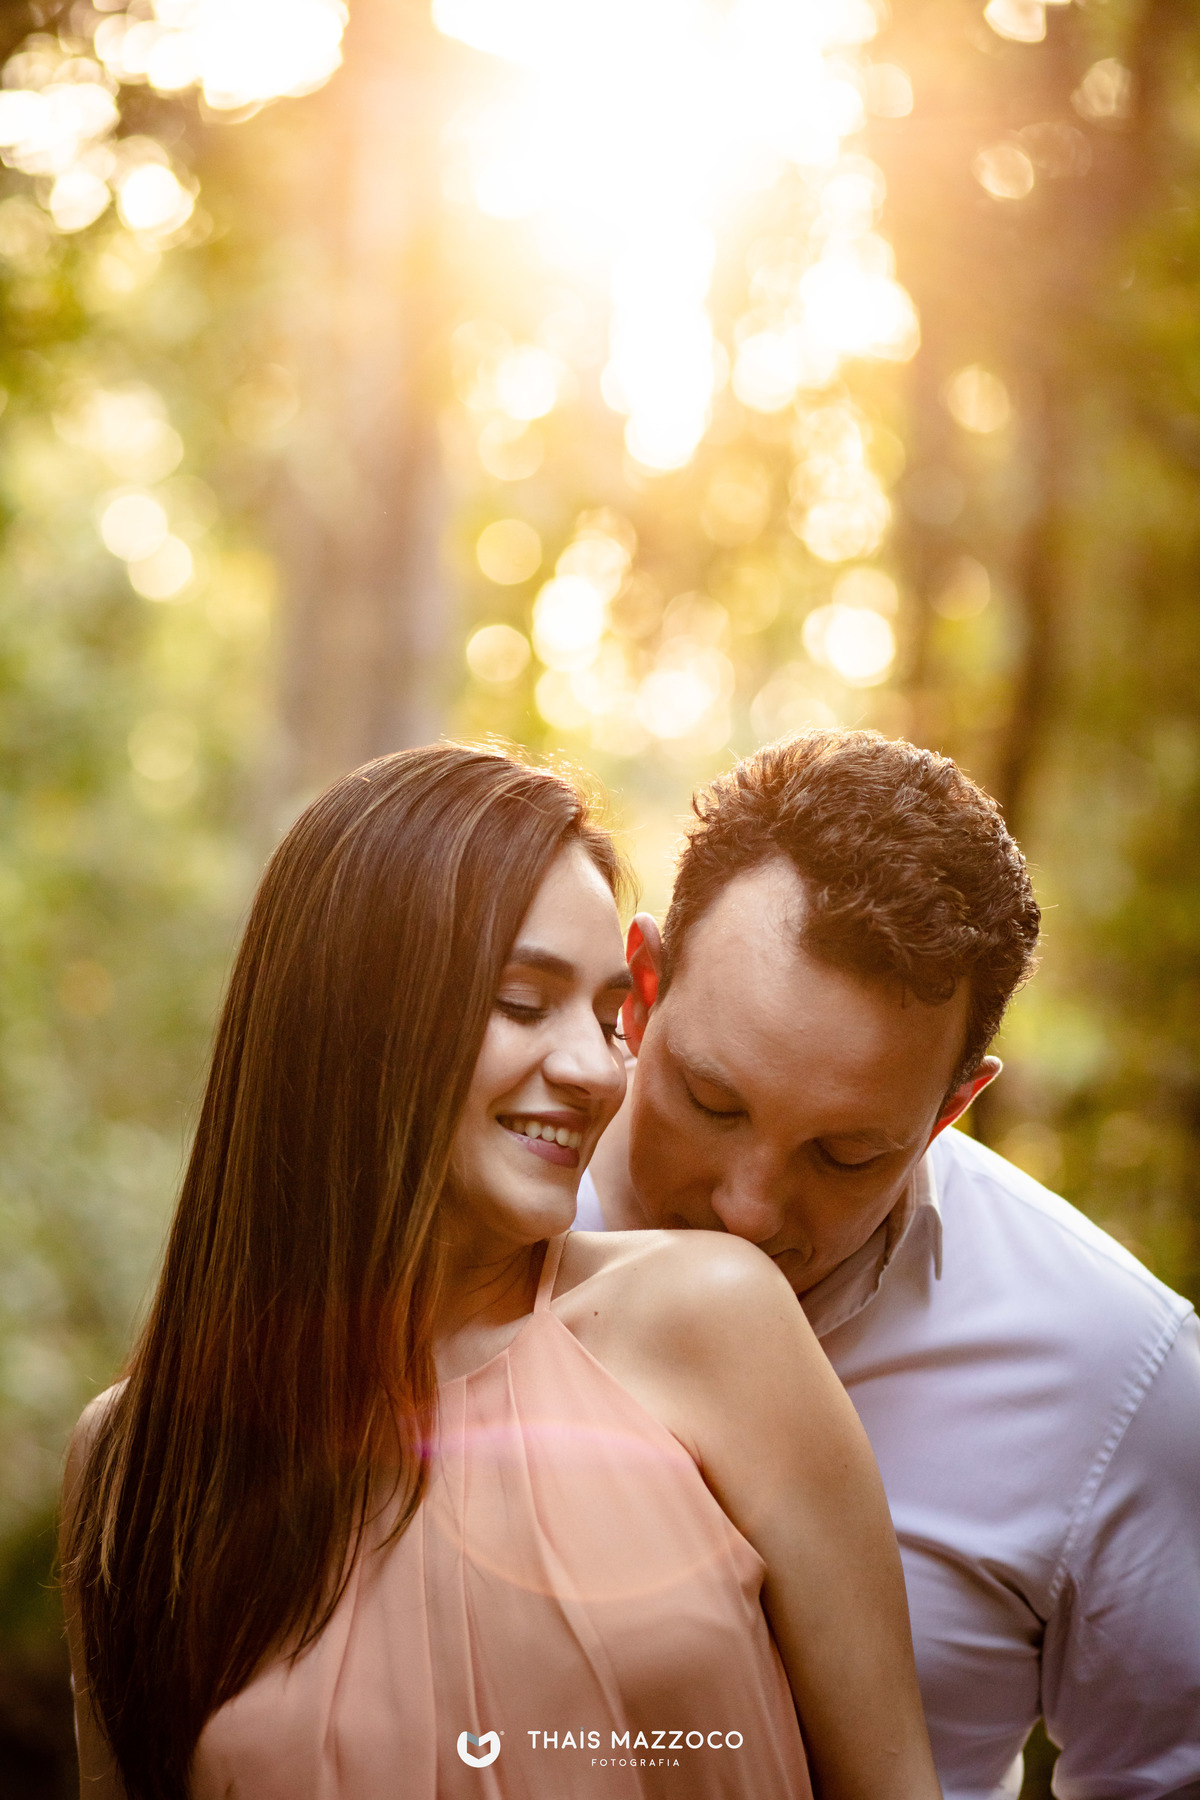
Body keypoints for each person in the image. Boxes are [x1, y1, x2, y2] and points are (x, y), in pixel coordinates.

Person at [59, 743, 942, 1800]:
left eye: (608, 1015)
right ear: (355, 1019)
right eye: (525, 1004)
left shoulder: (713, 1324)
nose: (591, 1070)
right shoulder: (134, 1464)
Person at [581, 729, 1200, 1800]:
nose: (748, 1208)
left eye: (846, 1154)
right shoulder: (462, 1211)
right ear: (642, 988)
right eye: (711, 1102)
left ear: (951, 1113)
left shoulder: (1117, 1373)